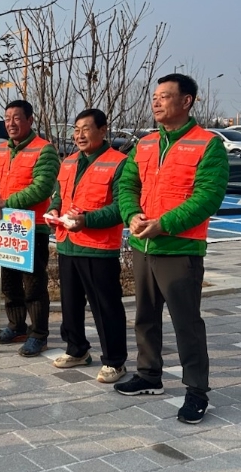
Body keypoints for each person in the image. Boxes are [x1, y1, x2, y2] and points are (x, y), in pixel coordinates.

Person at [116, 73, 228, 423]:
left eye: (164, 96)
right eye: (155, 96)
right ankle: (149, 375)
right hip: (143, 245)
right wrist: (132, 214)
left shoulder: (207, 145)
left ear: (186, 101)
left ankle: (196, 390)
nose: (156, 101)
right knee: (145, 316)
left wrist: (164, 224)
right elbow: (127, 185)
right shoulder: (146, 144)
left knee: (186, 323)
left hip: (180, 249)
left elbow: (207, 197)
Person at [45, 109, 128, 383]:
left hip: (98, 247)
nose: (79, 135)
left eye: (86, 129)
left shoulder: (119, 163)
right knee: (70, 304)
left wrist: (87, 220)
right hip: (67, 244)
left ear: (103, 130)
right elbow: (59, 196)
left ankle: (115, 361)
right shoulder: (68, 162)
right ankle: (77, 349)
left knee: (105, 307)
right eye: (76, 129)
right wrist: (54, 210)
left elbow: (121, 207)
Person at [0, 100, 60, 357]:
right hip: (3, 228)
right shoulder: (1, 149)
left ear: (30, 120)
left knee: (33, 284)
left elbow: (42, 187)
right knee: (9, 281)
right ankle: (16, 327)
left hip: (32, 228)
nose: (11, 123)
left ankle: (39, 334)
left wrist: (7, 203)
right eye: (7, 118)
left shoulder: (44, 150)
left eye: (16, 118)